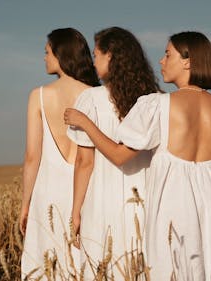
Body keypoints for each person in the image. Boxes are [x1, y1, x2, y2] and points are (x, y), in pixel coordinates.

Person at [64, 31, 211, 281]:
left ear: (187, 61)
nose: (162, 61)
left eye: (167, 54)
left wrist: (86, 123)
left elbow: (120, 156)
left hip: (173, 209)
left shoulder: (158, 105)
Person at [67, 26, 161, 279]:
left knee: (102, 267)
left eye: (97, 54)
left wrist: (75, 211)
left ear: (111, 56)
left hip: (102, 199)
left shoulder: (90, 100)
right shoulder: (156, 100)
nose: (93, 60)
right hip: (145, 199)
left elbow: (84, 162)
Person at [19, 27, 100, 280]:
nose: (44, 58)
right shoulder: (96, 95)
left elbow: (33, 157)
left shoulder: (39, 96)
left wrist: (25, 204)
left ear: (60, 54)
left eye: (47, 52)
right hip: (86, 188)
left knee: (47, 263)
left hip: (48, 191)